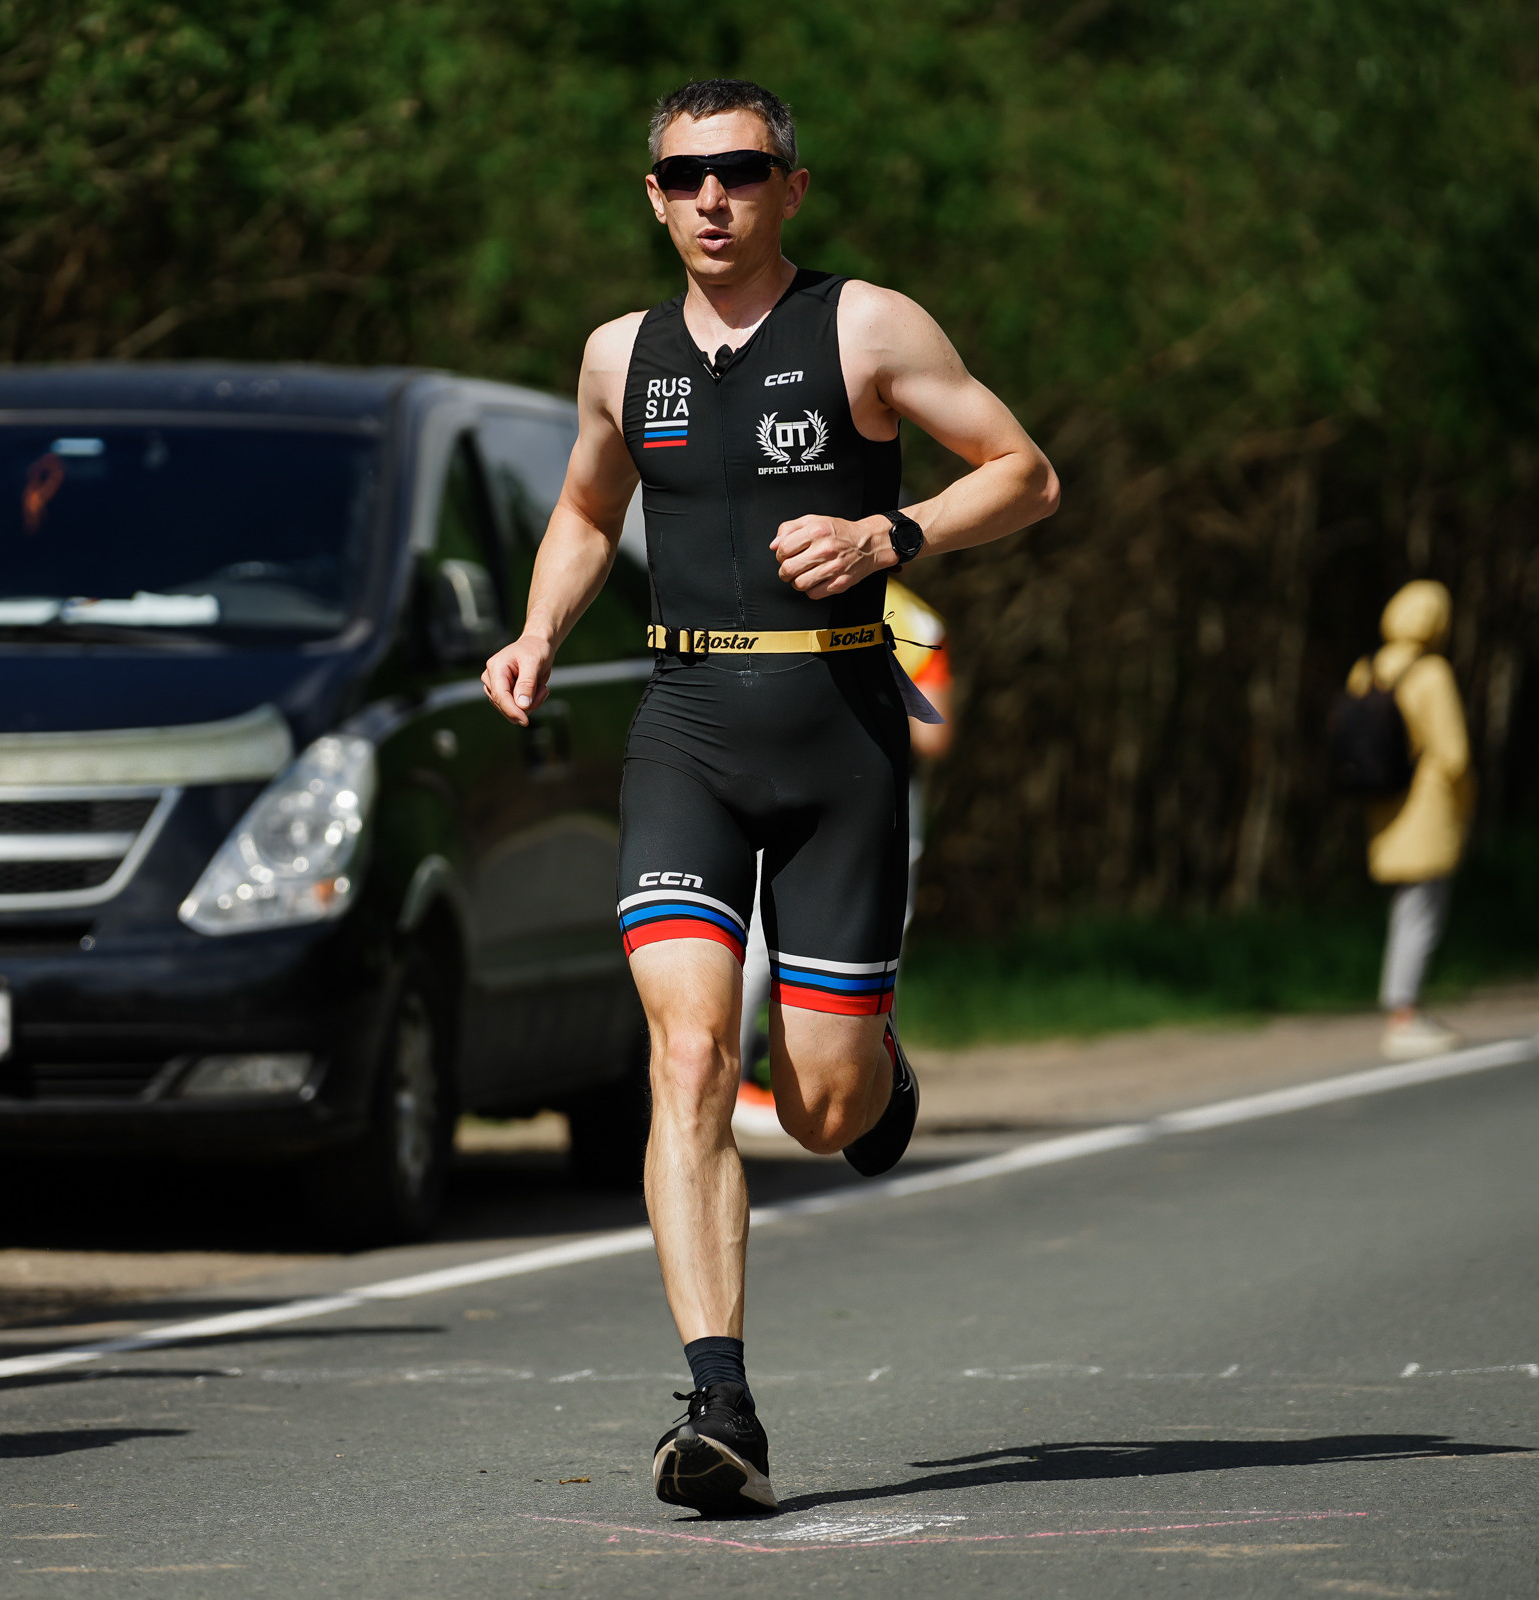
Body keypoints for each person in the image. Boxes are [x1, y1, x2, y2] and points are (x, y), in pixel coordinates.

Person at [480, 79, 1058, 1514]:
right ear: (655, 198)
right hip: (683, 727)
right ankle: (719, 1403)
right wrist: (541, 629)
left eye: (741, 171)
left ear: (791, 186)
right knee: (685, 1060)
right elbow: (585, 506)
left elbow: (1027, 473)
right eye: (684, 179)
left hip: (840, 728)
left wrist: (891, 529)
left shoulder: (866, 325)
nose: (713, 200)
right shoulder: (622, 354)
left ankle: (870, 1068)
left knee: (818, 1108)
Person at [733, 577, 951, 1132]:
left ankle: (726, 1081)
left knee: (756, 933)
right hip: (877, 791)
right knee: (872, 943)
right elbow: (934, 739)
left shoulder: (765, 587)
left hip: (768, 775)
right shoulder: (913, 615)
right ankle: (861, 1087)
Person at [1348, 580, 1474, 1059]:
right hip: (1427, 806)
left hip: (1383, 807)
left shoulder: (1366, 669)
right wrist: (1465, 805)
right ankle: (1404, 1014)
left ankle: (1403, 1007)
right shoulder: (1432, 672)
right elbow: (1455, 754)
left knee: (1407, 909)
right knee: (1422, 911)